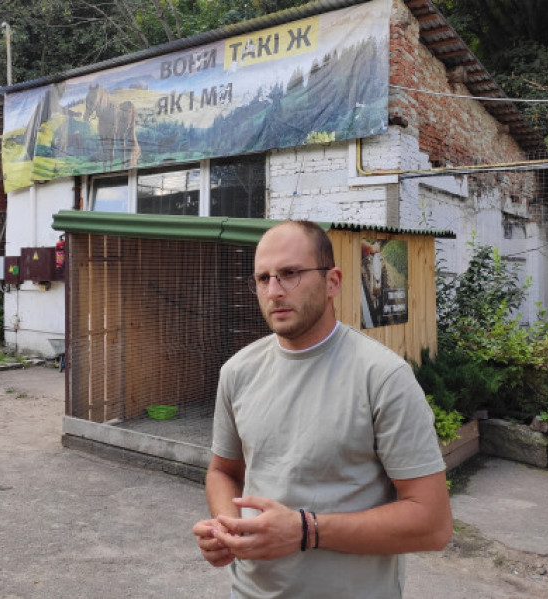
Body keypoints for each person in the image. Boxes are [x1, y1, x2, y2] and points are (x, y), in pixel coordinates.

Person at [192, 220, 453, 598]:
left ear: (333, 282)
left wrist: (306, 531)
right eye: (263, 279)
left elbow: (433, 524)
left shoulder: (382, 377)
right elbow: (223, 471)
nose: (274, 290)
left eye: (290, 274)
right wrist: (227, 527)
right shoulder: (237, 372)